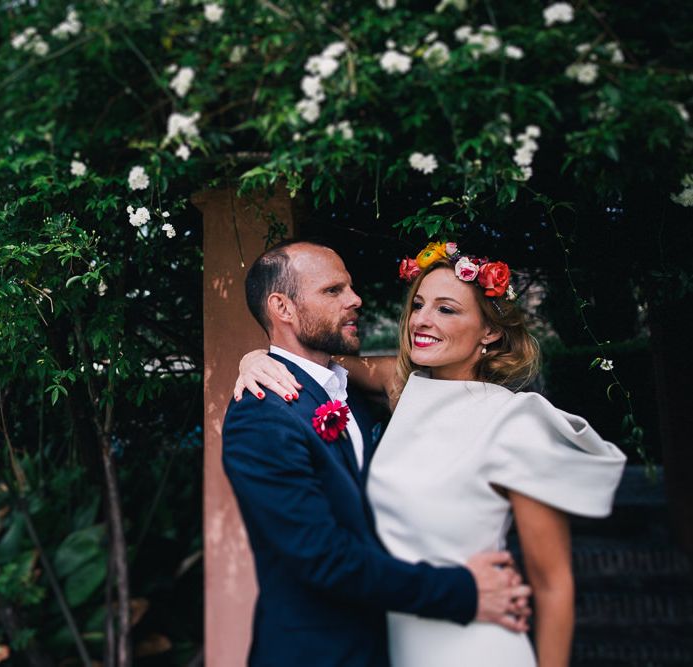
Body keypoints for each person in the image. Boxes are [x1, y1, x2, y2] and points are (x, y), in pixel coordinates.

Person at [235, 240, 627, 667]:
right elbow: (322, 370)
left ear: (491, 330)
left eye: (446, 309)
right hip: (393, 644)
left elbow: (553, 585)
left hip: (476, 642)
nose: (422, 319)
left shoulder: (519, 422)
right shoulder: (403, 393)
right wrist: (257, 357)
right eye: (419, 304)